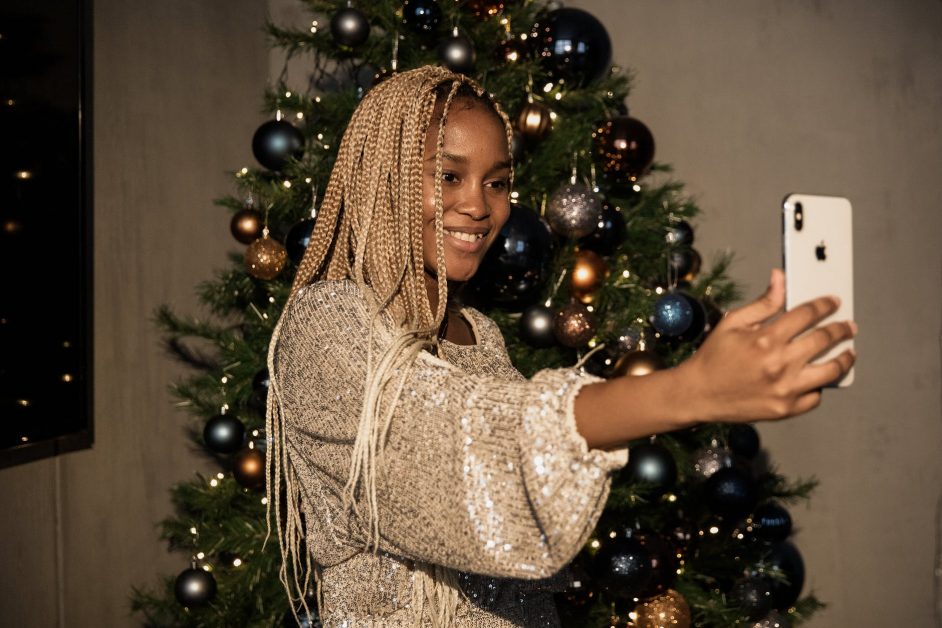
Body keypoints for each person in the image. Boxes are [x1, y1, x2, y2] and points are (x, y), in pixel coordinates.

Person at [264, 65, 856, 627]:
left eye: (496, 183)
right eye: (448, 176)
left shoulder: (481, 334)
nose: (478, 205)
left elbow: (521, 522)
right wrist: (690, 390)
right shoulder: (327, 323)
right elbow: (458, 458)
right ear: (382, 178)